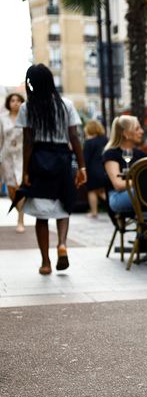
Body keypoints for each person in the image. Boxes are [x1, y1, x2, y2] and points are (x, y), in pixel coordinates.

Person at [12, 64, 86, 275]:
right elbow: (74, 138)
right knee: (64, 205)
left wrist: (25, 171)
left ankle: (45, 262)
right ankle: (62, 244)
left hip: (39, 161)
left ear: (32, 84)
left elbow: (28, 142)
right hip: (62, 160)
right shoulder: (66, 105)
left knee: (41, 216)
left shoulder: (28, 108)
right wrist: (82, 167)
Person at [102, 115, 147, 215]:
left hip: (138, 193)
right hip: (118, 196)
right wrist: (144, 182)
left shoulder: (140, 154)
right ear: (126, 133)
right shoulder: (111, 154)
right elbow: (118, 185)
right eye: (137, 129)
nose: (142, 131)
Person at [1, 92, 26, 232]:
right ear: (8, 103)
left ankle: (20, 220)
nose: (15, 103)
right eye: (12, 100)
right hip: (7, 157)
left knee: (19, 188)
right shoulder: (2, 119)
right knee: (11, 190)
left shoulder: (26, 117)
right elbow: (0, 140)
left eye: (18, 100)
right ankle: (18, 211)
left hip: (21, 156)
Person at [82, 120, 108, 218]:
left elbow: (85, 158)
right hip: (104, 169)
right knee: (101, 191)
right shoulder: (105, 140)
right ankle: (113, 208)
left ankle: (94, 212)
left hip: (92, 170)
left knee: (92, 191)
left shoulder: (89, 142)